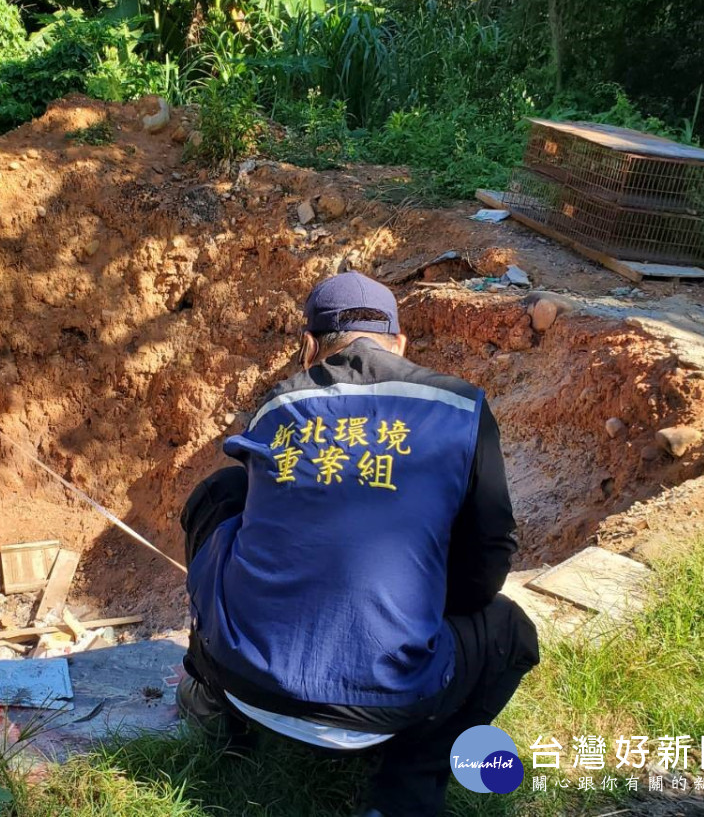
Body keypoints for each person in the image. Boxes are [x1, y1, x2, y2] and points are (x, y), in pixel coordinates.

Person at [177, 271, 540, 817]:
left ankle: (212, 699)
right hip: (393, 699)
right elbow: (489, 559)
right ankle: (408, 785)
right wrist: (415, 608)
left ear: (307, 349)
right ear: (399, 342)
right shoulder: (463, 409)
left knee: (223, 493)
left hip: (246, 681)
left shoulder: (278, 406)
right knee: (510, 633)